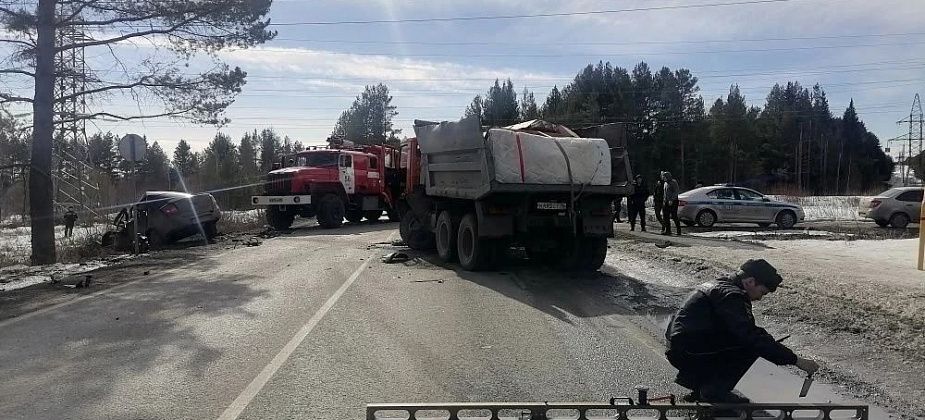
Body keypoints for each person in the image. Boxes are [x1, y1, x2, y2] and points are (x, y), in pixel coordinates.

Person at [664, 259, 819, 403]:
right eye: (762, 292)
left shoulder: (720, 285)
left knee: (747, 340)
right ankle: (714, 391)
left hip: (680, 347)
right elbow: (750, 337)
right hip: (689, 351)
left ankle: (698, 384)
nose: (759, 298)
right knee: (752, 346)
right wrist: (796, 360)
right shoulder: (731, 296)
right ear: (750, 281)